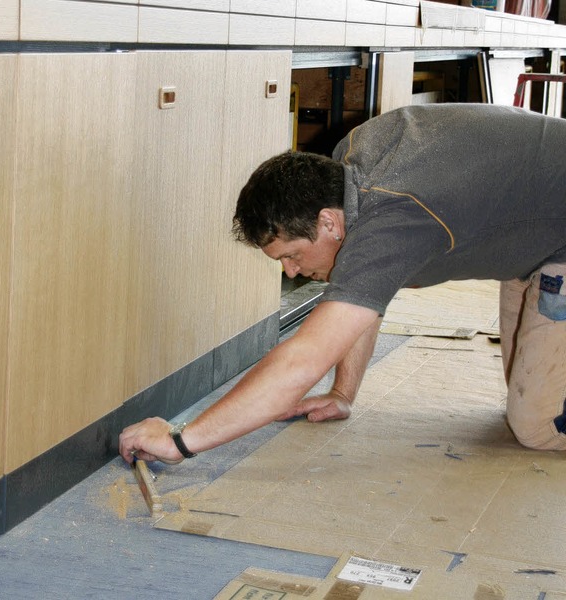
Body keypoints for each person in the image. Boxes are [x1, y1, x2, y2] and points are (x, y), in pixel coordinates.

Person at [119, 103, 566, 464]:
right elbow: (364, 295)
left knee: (538, 427)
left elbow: (303, 360)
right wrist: (342, 392)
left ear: (329, 222)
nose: (291, 272)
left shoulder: (393, 215)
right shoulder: (349, 166)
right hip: (537, 237)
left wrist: (181, 440)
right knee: (525, 385)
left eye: (291, 255)